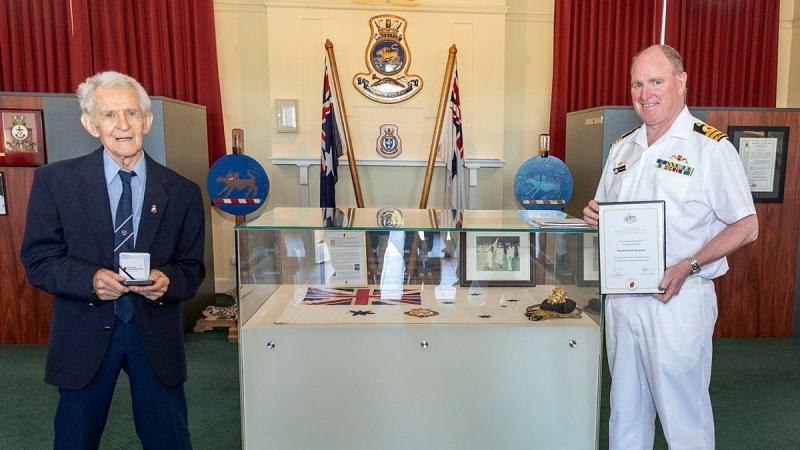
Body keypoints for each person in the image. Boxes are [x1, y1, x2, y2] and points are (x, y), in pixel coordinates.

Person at [583, 45, 758, 449]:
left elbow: (747, 226)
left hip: (677, 300)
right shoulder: (623, 148)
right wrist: (595, 215)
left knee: (683, 418)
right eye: (637, 84)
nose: (645, 94)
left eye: (656, 82)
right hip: (624, 301)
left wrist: (688, 265)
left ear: (681, 83)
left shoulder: (710, 148)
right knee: (625, 412)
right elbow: (608, 212)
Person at [20, 71, 205, 450]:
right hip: (82, 333)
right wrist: (89, 280)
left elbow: (192, 268)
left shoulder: (183, 192)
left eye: (131, 113)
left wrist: (168, 281)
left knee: (168, 440)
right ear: (91, 124)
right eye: (108, 115)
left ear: (147, 121)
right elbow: (39, 260)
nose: (122, 125)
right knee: (74, 439)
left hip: (155, 334)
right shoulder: (55, 183)